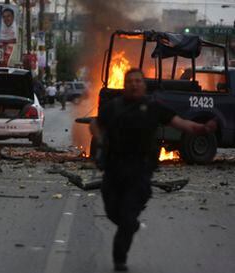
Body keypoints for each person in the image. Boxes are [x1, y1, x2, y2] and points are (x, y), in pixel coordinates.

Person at [89, 68, 217, 271]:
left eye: (138, 81)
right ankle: (130, 225)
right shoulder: (113, 107)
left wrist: (202, 129)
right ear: (124, 85)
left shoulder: (153, 107)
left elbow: (181, 123)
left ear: (144, 85)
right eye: (130, 81)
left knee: (128, 216)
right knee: (113, 212)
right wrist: (102, 140)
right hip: (114, 170)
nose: (134, 84)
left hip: (139, 172)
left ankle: (119, 259)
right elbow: (95, 124)